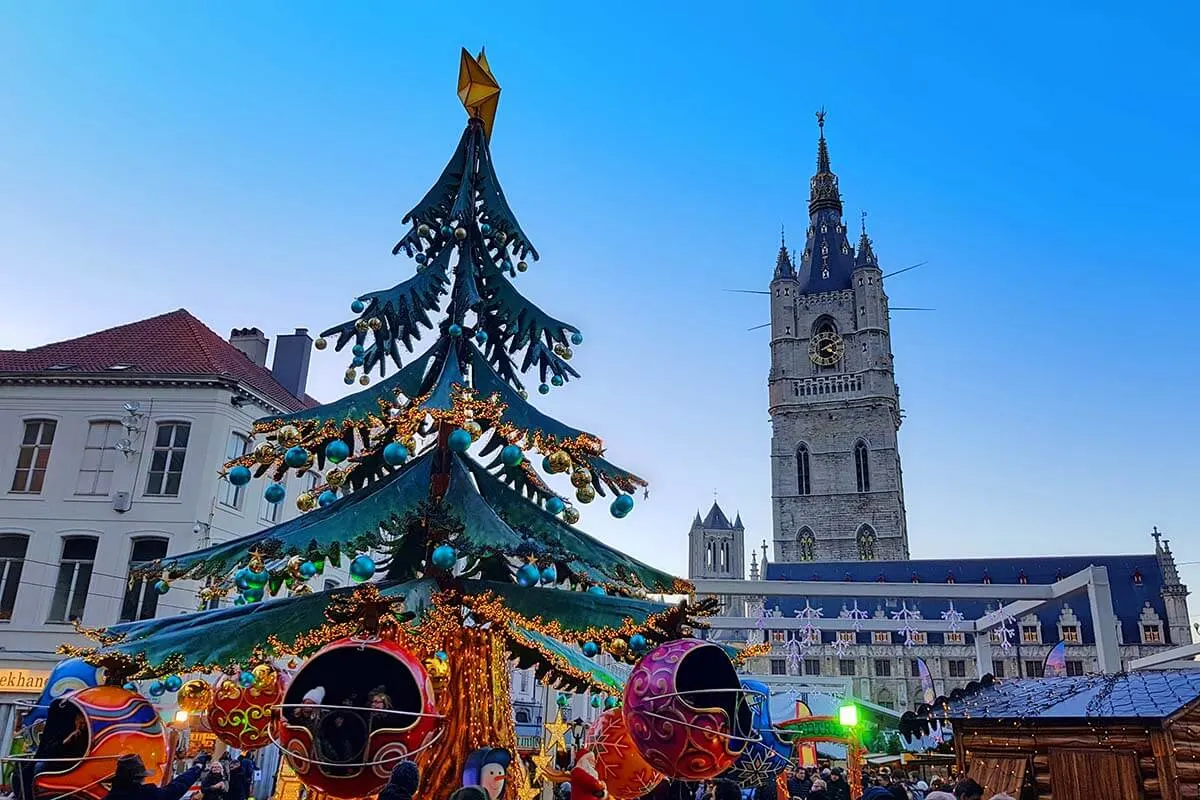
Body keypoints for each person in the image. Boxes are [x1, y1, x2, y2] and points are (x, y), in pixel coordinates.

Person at [103, 753, 208, 800]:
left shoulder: (109, 797)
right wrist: (197, 768)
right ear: (140, 778)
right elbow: (177, 786)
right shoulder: (147, 794)